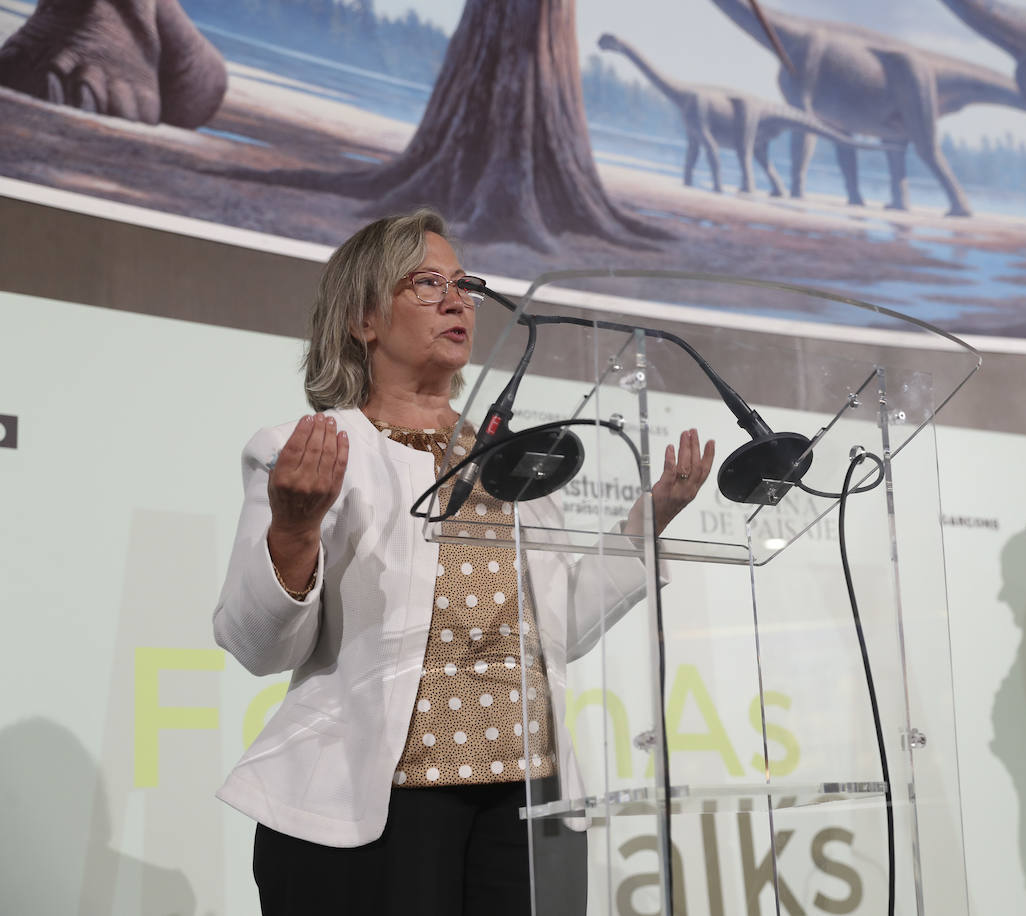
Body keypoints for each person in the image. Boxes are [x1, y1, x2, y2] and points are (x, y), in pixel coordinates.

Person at [212, 208, 715, 915]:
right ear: (363, 320)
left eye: (463, 284)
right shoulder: (312, 450)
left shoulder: (514, 462)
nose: (456, 300)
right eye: (425, 283)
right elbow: (258, 646)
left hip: (527, 800)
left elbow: (556, 633)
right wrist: (294, 530)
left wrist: (645, 526)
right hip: (374, 807)